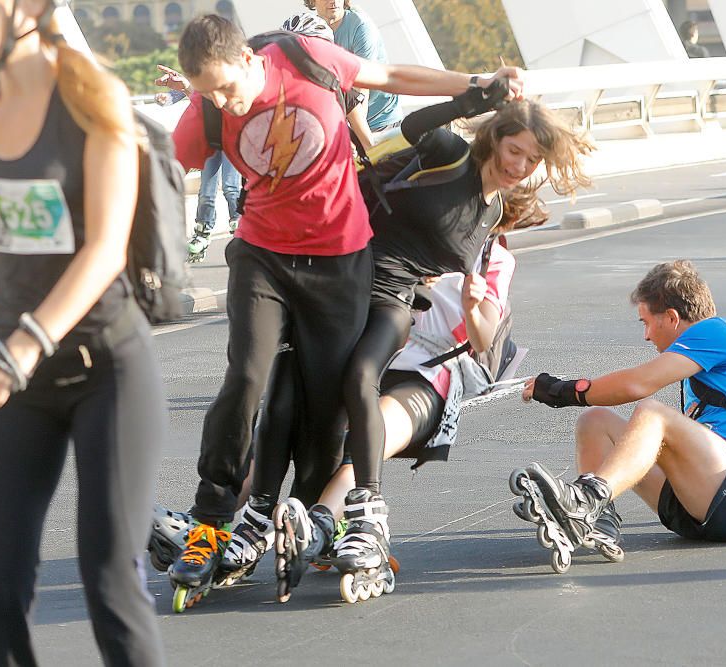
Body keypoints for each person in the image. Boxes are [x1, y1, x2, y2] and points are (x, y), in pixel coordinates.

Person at [165, 14, 523, 603]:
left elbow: (391, 75)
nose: (223, 104)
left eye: (227, 88)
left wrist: (476, 81)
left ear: (252, 61)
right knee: (249, 376)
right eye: (208, 93)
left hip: (339, 259)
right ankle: (212, 519)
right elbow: (159, 163)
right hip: (263, 255)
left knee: (325, 398)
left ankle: (309, 518)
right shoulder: (206, 109)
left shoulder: (306, 57)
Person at [254, 98, 595, 604]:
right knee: (280, 408)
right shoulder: (421, 212)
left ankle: (324, 524)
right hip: (370, 339)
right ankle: (228, 523)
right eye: (512, 155)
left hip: (427, 375)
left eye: (528, 163)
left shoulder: (491, 255)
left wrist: (472, 300)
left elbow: (482, 341)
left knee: (371, 429)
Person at [0, 0, 165, 664]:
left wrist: (19, 347)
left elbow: (105, 252)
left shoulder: (96, 100)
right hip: (20, 383)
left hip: (107, 366)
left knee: (109, 578)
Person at [512, 260, 726, 572]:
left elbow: (638, 384)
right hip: (705, 503)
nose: (646, 335)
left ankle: (587, 501)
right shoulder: (705, 360)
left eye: (646, 322)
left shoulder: (718, 332)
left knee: (652, 412)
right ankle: (597, 522)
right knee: (595, 421)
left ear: (672, 318)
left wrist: (560, 391)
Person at [155, 64, 241, 262]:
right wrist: (167, 97)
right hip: (211, 139)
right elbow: (194, 94)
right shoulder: (202, 71)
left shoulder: (235, 72)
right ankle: (203, 231)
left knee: (230, 188)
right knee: (207, 192)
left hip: (231, 138)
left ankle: (239, 225)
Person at [306, 0, 402, 137]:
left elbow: (362, 89)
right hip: (347, 124)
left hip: (381, 121)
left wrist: (353, 136)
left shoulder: (361, 26)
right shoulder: (310, 33)